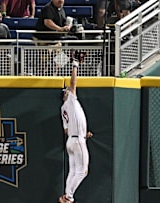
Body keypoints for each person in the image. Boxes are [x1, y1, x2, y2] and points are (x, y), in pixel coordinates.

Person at [59, 50, 94, 203]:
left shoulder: (64, 109)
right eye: (66, 91)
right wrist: (75, 64)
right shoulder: (70, 101)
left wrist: (83, 133)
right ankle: (69, 197)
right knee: (83, 171)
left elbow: (66, 130)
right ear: (65, 95)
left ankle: (67, 196)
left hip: (72, 141)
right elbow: (73, 83)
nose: (69, 90)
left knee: (73, 170)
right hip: (77, 141)